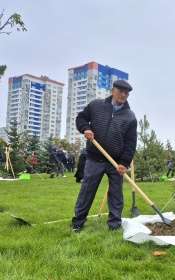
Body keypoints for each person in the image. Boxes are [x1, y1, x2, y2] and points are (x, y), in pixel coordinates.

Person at [71, 80, 137, 232]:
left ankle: (114, 225)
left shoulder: (130, 117)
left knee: (116, 195)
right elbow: (81, 118)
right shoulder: (96, 105)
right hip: (94, 157)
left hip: (116, 162)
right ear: (113, 90)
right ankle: (78, 222)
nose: (123, 95)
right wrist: (85, 129)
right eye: (121, 91)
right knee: (87, 190)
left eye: (126, 93)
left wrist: (124, 163)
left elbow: (130, 143)